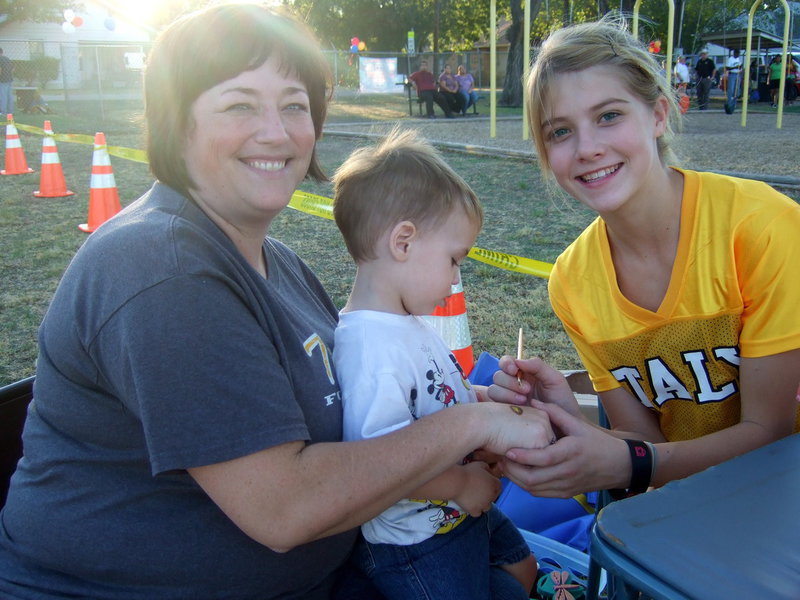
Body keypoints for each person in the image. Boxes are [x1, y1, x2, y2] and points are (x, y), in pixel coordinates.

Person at [0, 5, 553, 599]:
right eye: (240, 104)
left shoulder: (277, 261)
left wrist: (464, 399)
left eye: (294, 105)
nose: (277, 131)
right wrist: (472, 422)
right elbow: (284, 511)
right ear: (177, 123)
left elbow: (354, 405)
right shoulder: (164, 270)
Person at [489, 18, 800, 501]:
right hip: (690, 510)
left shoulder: (761, 228)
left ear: (658, 115)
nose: (589, 148)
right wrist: (569, 424)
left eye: (609, 115)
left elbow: (771, 435)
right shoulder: (572, 282)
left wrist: (628, 462)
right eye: (560, 131)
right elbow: (650, 449)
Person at [331, 128, 541, 600]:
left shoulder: (408, 320)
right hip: (416, 541)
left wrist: (490, 401)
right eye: (454, 260)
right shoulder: (370, 350)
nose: (455, 279)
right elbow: (381, 466)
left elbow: (440, 398)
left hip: (458, 511)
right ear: (403, 242)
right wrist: (463, 482)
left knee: (523, 569)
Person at [0, 48, 14, 115]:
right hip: (9, 79)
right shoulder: (7, 59)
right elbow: (12, 69)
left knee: (3, 96)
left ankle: (3, 111)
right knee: (9, 96)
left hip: (2, 80)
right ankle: (10, 111)